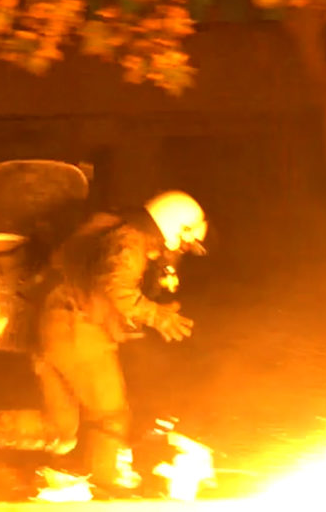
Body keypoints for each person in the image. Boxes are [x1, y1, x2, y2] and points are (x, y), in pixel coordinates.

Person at [36, 190, 207, 495]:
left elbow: (108, 290)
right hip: (78, 327)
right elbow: (116, 287)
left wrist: (150, 314)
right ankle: (108, 483)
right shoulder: (131, 242)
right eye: (183, 240)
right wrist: (155, 315)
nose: (180, 250)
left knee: (60, 429)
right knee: (111, 415)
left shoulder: (128, 238)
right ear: (171, 225)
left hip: (64, 325)